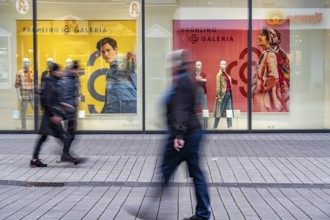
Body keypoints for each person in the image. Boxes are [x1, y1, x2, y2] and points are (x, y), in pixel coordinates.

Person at [162, 49, 210, 220]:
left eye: (170, 63)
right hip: (193, 132)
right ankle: (203, 214)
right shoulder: (187, 78)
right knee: (197, 174)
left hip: (186, 135)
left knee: (166, 170)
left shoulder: (182, 81)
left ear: (176, 64)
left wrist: (179, 135)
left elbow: (181, 110)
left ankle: (155, 207)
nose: (168, 66)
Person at [252, 27, 290, 112]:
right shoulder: (266, 53)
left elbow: (274, 77)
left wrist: (261, 88)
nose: (258, 36)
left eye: (262, 35)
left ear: (269, 40)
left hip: (266, 97)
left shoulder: (270, 54)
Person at [96, 37, 137, 113]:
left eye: (108, 50)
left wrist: (130, 61)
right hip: (114, 106)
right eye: (103, 52)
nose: (106, 54)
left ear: (115, 50)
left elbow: (128, 67)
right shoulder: (109, 72)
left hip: (126, 105)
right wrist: (102, 113)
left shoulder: (123, 62)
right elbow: (108, 96)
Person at [58, 60, 83, 163]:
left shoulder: (73, 78)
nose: (77, 72)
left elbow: (77, 92)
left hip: (71, 108)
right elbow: (63, 94)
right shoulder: (67, 79)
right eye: (76, 70)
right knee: (70, 133)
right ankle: (65, 154)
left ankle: (65, 153)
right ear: (73, 69)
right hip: (68, 109)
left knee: (70, 133)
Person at [213, 60, 233, 129]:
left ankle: (229, 127)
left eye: (224, 64)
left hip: (229, 94)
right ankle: (215, 126)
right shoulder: (219, 75)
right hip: (222, 96)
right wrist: (219, 97)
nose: (223, 65)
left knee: (229, 111)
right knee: (219, 112)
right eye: (222, 64)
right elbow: (218, 88)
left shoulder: (226, 74)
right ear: (219, 65)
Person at [15, 58, 34, 129]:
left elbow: (34, 83)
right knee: (23, 112)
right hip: (24, 94)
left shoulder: (32, 72)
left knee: (35, 109)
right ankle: (24, 127)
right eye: (25, 62)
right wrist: (18, 95)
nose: (27, 64)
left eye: (28, 62)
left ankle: (36, 126)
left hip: (31, 94)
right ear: (23, 63)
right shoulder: (19, 73)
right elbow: (17, 85)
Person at [195, 61, 209, 128]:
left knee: (205, 109)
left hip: (202, 93)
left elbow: (205, 81)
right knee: (193, 109)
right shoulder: (192, 74)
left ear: (201, 66)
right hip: (195, 94)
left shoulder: (203, 74)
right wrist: (201, 80)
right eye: (197, 65)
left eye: (200, 65)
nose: (198, 66)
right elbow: (193, 81)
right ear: (195, 66)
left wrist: (200, 80)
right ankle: (194, 126)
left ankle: (206, 126)